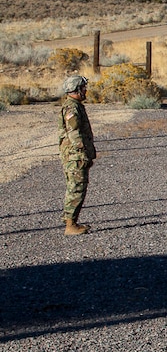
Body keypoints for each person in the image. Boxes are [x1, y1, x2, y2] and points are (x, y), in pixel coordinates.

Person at [58, 74, 95, 236]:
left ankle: (71, 221)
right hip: (75, 156)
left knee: (75, 187)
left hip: (75, 155)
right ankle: (70, 225)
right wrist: (83, 153)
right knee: (76, 188)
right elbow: (74, 134)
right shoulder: (72, 108)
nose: (85, 90)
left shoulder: (75, 106)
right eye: (83, 88)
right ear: (76, 89)